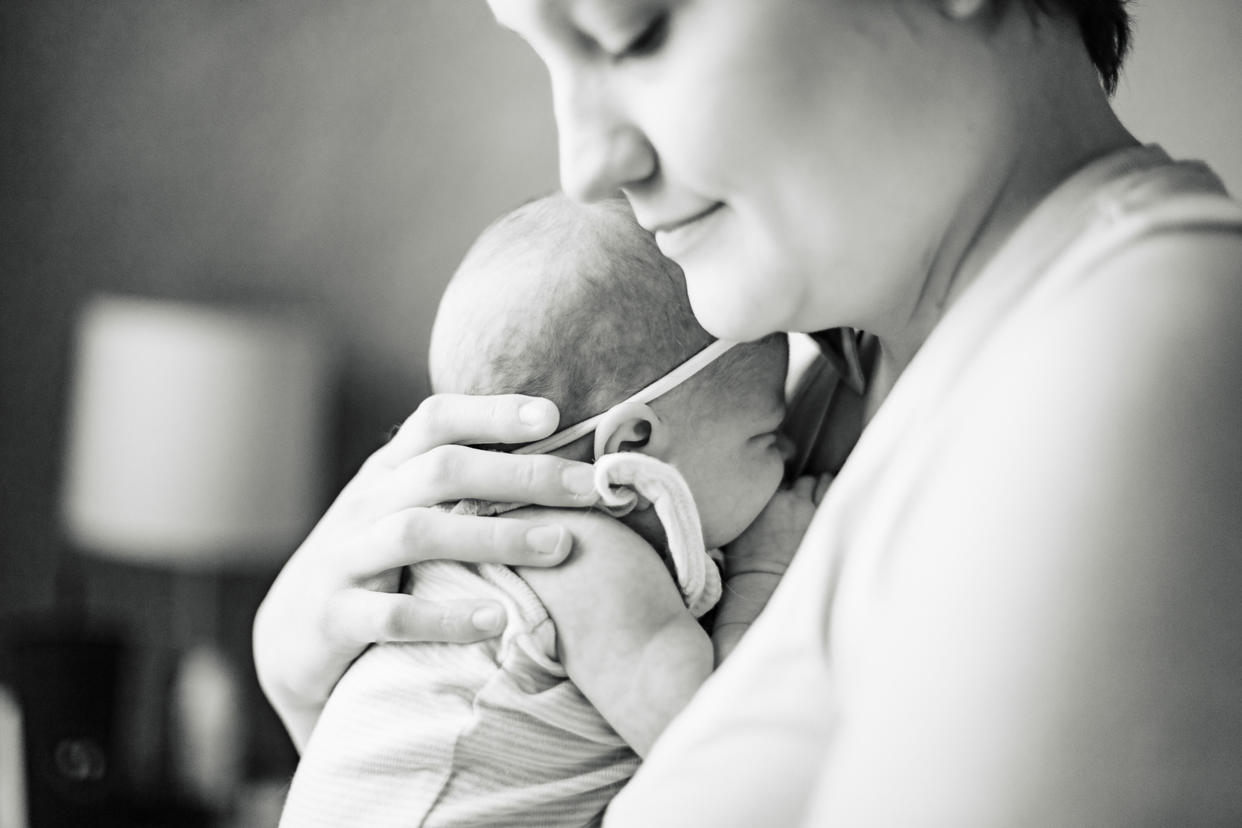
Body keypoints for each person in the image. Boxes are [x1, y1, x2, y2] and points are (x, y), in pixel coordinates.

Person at [255, 0, 1242, 823]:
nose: (586, 163)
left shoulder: (1146, 344)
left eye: (634, 31)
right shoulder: (813, 389)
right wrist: (324, 697)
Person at [274, 193, 820, 827]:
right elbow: (712, 755)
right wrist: (765, 576)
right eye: (765, 436)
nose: (788, 451)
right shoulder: (582, 558)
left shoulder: (466, 533)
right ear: (634, 447)